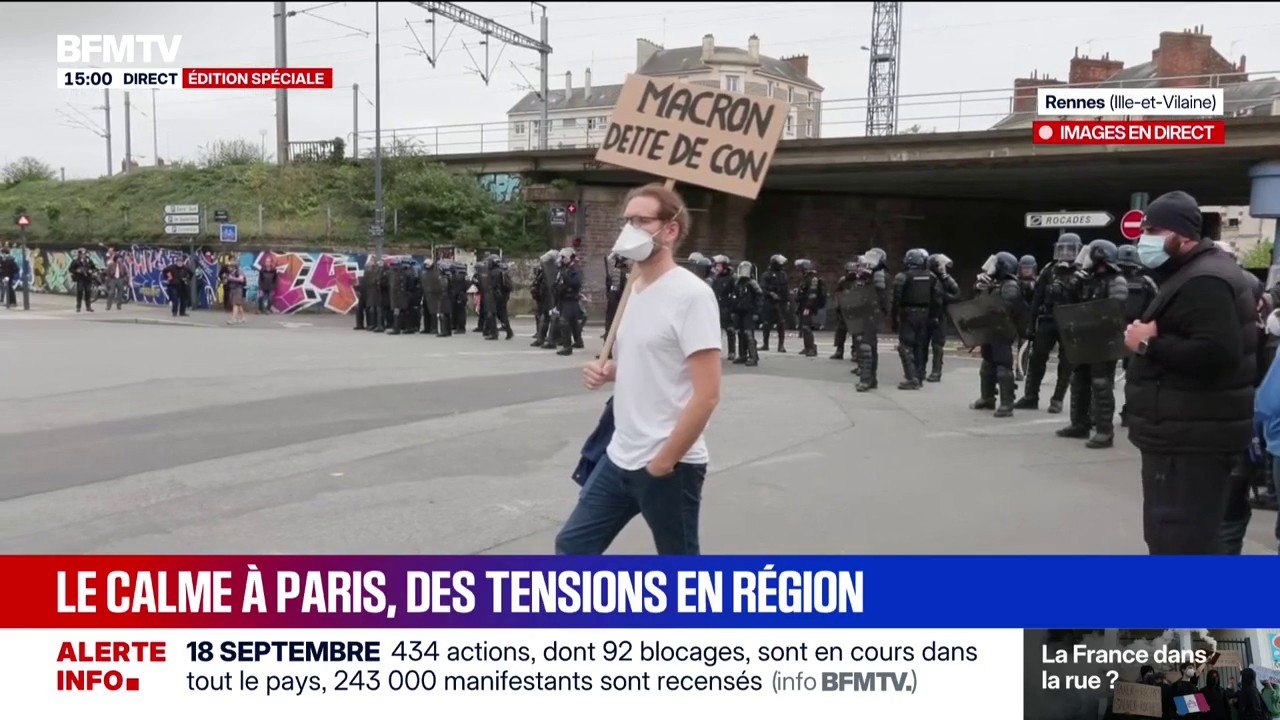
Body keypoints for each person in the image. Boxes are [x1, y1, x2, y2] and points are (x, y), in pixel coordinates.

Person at [556, 182, 721, 555]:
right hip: (619, 454)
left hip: (667, 463)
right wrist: (609, 370)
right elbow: (650, 360)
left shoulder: (691, 296)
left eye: (641, 220)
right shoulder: (635, 288)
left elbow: (707, 394)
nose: (630, 229)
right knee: (573, 546)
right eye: (627, 220)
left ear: (671, 229)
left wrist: (664, 462)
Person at [1123, 190, 1257, 555]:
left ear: (1182, 236)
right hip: (1189, 434)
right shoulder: (1196, 272)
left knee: (1178, 539)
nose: (1145, 237)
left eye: (1154, 229)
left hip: (1189, 442)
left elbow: (1217, 351)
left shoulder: (1205, 280)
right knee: (1185, 536)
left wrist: (1148, 344)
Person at [1056, 239, 1128, 449]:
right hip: (1085, 338)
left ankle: (1105, 431)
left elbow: (1115, 308)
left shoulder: (1116, 280)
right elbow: (1069, 301)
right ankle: (1079, 424)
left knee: (1101, 383)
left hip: (1104, 340)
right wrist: (1075, 282)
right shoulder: (1087, 279)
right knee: (1079, 380)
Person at [1017, 234, 1083, 413]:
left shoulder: (1083, 272)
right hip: (1048, 319)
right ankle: (1031, 396)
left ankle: (1058, 399)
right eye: (1062, 249)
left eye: (1070, 249)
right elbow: (1037, 298)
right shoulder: (1049, 270)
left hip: (1070, 322)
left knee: (1067, 361)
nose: (1066, 253)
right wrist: (1030, 324)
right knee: (1036, 358)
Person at [971, 252, 1023, 418]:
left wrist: (990, 290)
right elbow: (979, 302)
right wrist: (980, 286)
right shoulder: (994, 283)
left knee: (1003, 365)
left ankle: (1007, 404)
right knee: (987, 363)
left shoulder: (1010, 285)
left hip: (1002, 330)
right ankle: (987, 398)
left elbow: (1004, 307)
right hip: (990, 329)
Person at [1117, 244, 1159, 426]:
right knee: (1133, 375)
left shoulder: (1113, 280)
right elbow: (1156, 307)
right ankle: (1129, 411)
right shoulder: (1147, 282)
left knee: (1102, 376)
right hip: (1136, 332)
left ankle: (1097, 415)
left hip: (1116, 330)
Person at [891, 248, 941, 390]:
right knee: (920, 346)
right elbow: (937, 298)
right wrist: (934, 316)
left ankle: (911, 377)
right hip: (925, 314)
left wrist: (894, 318)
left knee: (905, 346)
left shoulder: (902, 277)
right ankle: (919, 375)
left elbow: (896, 299)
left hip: (908, 313)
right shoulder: (931, 276)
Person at [924, 253, 960, 382]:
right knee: (922, 344)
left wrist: (943, 296)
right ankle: (920, 370)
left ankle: (936, 371)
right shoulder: (926, 276)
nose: (942, 268)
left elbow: (957, 294)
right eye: (939, 265)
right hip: (927, 313)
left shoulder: (946, 279)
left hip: (940, 315)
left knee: (937, 345)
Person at [852, 254, 883, 392]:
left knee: (865, 348)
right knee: (870, 348)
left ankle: (865, 380)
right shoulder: (863, 282)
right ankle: (871, 379)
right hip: (864, 317)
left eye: (861, 266)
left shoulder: (875, 282)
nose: (858, 269)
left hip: (870, 318)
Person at [730, 261, 763, 367]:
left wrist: (757, 312)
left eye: (746, 269)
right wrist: (733, 311)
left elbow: (759, 298)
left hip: (750, 312)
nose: (744, 272)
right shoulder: (737, 283)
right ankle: (742, 355)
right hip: (739, 311)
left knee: (749, 334)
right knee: (740, 333)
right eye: (742, 269)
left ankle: (753, 356)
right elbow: (734, 298)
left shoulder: (753, 283)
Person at [554, 247, 584, 356]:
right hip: (564, 299)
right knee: (573, 322)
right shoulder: (564, 269)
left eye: (564, 257)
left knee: (564, 322)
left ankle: (567, 347)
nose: (562, 259)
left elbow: (576, 283)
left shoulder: (575, 269)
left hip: (571, 299)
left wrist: (565, 276)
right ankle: (578, 341)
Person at [795, 259, 826, 357]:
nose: (798, 272)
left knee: (806, 326)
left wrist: (808, 307)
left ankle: (812, 348)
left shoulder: (813, 279)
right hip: (803, 305)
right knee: (803, 326)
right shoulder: (806, 278)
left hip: (808, 306)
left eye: (800, 269)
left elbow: (812, 294)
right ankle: (807, 347)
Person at [710, 255, 737, 361]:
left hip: (727, 306)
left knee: (730, 329)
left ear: (725, 266)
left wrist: (733, 308)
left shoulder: (732, 278)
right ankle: (715, 352)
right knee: (715, 331)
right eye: (716, 265)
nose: (717, 268)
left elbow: (735, 292)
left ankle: (732, 351)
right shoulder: (716, 278)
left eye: (719, 265)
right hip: (717, 305)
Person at [760, 254, 789, 352]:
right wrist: (770, 293)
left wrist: (787, 301)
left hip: (780, 302)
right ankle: (765, 344)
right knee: (766, 323)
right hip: (769, 302)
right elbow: (762, 288)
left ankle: (781, 345)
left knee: (781, 323)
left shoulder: (783, 274)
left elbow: (786, 289)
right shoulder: (766, 275)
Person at [831, 261, 858, 361]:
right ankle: (839, 350)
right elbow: (837, 293)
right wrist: (837, 307)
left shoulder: (859, 282)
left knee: (856, 333)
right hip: (844, 310)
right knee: (840, 331)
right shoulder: (843, 281)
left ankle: (855, 352)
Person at [604, 253, 628, 339]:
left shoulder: (617, 272)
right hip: (626, 303)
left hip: (615, 303)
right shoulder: (629, 271)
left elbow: (614, 291)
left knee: (611, 325)